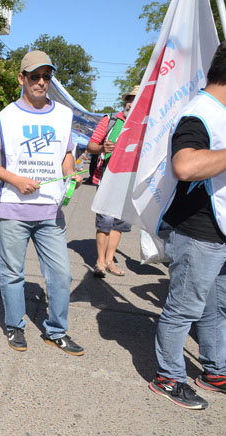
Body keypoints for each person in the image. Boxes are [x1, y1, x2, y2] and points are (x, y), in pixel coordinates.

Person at [0, 50, 85, 356]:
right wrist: (15, 180)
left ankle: (56, 331)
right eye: (35, 76)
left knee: (61, 274)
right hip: (14, 208)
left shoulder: (64, 115)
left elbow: (67, 155)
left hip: (51, 209)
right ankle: (15, 325)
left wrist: (71, 174)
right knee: (13, 273)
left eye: (46, 77)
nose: (41, 82)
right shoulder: (7, 117)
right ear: (22, 78)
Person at [148, 43, 226, 410]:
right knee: (184, 309)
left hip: (219, 230)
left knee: (216, 309)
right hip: (196, 230)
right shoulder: (199, 113)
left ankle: (215, 371)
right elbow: (185, 166)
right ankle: (168, 377)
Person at [86, 87, 137, 277]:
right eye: (130, 99)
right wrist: (101, 147)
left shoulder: (145, 125)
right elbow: (91, 146)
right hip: (107, 178)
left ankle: (110, 261)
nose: (131, 104)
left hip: (128, 181)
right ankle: (100, 261)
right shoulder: (110, 120)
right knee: (105, 220)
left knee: (119, 223)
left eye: (136, 100)